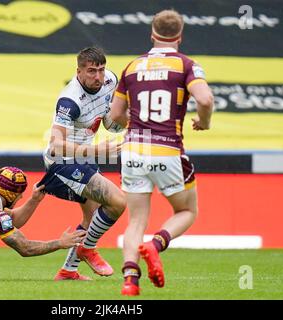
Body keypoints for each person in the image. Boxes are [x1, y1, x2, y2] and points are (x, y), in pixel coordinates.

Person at [110, 9, 214, 295]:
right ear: (179, 36)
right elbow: (205, 99)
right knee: (186, 210)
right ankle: (155, 245)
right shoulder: (186, 65)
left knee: (136, 220)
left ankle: (130, 280)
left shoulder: (131, 67)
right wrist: (203, 122)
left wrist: (135, 123)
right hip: (167, 149)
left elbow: (114, 114)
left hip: (133, 150)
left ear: (152, 34)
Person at [39, 46, 127, 281]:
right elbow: (57, 145)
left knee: (91, 219)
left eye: (100, 69)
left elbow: (111, 123)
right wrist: (97, 150)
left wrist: (129, 116)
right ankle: (87, 248)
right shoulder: (69, 100)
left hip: (84, 159)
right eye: (91, 71)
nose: (97, 76)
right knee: (117, 202)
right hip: (61, 163)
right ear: (78, 71)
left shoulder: (110, 80)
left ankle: (68, 271)